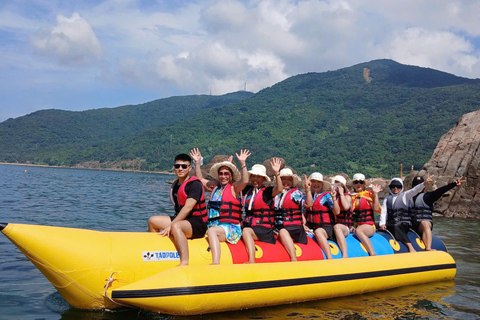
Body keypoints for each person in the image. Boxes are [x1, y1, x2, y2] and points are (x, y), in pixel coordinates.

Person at [189, 148, 251, 264]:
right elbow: (200, 179)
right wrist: (197, 163)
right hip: (215, 225)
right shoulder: (216, 187)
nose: (223, 176)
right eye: (221, 174)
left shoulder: (234, 188)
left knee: (212, 232)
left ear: (231, 176)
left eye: (226, 174)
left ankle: (216, 262)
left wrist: (243, 164)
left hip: (230, 228)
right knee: (207, 229)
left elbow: (244, 181)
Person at [147, 153, 208, 266]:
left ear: (190, 168)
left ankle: (184, 262)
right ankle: (153, 252)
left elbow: (188, 208)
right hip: (182, 220)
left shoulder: (195, 185)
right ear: (174, 167)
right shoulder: (176, 185)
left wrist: (171, 224)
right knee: (153, 220)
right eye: (177, 166)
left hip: (197, 224)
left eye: (184, 166)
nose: (180, 169)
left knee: (176, 226)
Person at [241, 159, 283, 263]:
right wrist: (242, 164)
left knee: (246, 231)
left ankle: (251, 260)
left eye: (258, 176)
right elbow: (237, 182)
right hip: (249, 224)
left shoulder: (267, 191)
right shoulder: (247, 190)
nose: (255, 179)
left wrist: (277, 173)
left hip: (263, 229)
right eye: (253, 176)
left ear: (263, 179)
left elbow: (279, 189)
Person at [410, 175, 466, 251]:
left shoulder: (428, 197)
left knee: (425, 223)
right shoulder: (406, 198)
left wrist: (453, 184)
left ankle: (428, 248)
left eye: (420, 184)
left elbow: (440, 191)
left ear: (423, 186)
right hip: (410, 226)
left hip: (421, 226)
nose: (418, 186)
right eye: (416, 185)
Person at [379, 175, 431, 252]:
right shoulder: (387, 199)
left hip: (404, 223)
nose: (395, 189)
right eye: (393, 186)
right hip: (391, 222)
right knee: (377, 225)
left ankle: (410, 247)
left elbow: (415, 190)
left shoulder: (405, 195)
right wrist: (382, 224)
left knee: (396, 226)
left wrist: (424, 184)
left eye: (398, 187)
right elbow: (383, 212)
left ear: (401, 187)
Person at [273, 168, 308, 262]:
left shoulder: (296, 193)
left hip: (294, 228)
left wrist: (308, 191)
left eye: (289, 179)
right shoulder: (275, 194)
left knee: (283, 232)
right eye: (283, 179)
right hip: (277, 227)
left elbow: (307, 204)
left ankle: (293, 258)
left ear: (292, 182)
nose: (286, 182)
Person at [304, 172, 340, 259]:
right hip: (311, 227)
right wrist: (303, 225)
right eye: (314, 182)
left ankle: (329, 257)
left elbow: (337, 212)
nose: (316, 184)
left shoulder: (327, 196)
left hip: (326, 228)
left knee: (318, 232)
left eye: (318, 182)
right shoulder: (308, 196)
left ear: (322, 184)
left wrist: (334, 199)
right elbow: (304, 213)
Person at [350, 173, 382, 256]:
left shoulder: (369, 195)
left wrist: (376, 194)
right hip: (355, 226)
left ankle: (372, 253)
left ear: (364, 184)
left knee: (359, 231)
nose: (358, 184)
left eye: (361, 182)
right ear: (353, 184)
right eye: (356, 182)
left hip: (369, 226)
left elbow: (376, 210)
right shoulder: (351, 197)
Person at [331, 175, 353, 258]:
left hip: (345, 228)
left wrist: (341, 194)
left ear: (342, 185)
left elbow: (346, 206)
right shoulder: (331, 197)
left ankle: (345, 255)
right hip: (333, 227)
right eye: (334, 184)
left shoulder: (347, 196)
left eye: (338, 184)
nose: (336, 186)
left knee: (337, 227)